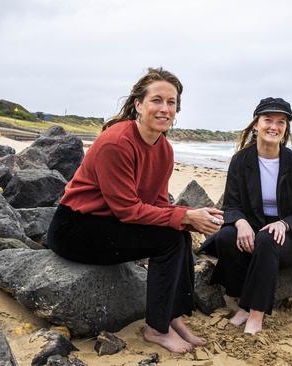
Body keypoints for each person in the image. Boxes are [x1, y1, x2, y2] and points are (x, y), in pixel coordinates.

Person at [47, 67, 224, 353]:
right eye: (157, 100)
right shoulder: (117, 142)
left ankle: (172, 316)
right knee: (168, 239)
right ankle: (156, 329)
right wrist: (184, 216)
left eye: (172, 103)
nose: (165, 108)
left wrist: (190, 219)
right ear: (139, 104)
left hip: (111, 223)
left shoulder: (164, 149)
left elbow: (157, 203)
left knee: (178, 235)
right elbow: (128, 210)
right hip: (76, 228)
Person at [200, 97, 292, 335]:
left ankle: (254, 313)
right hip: (253, 227)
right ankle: (241, 300)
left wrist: (285, 223)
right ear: (256, 124)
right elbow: (232, 204)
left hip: (289, 239)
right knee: (226, 237)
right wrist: (241, 222)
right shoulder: (241, 161)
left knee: (267, 239)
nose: (274, 126)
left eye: (281, 122)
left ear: (286, 127)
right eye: (268, 120)